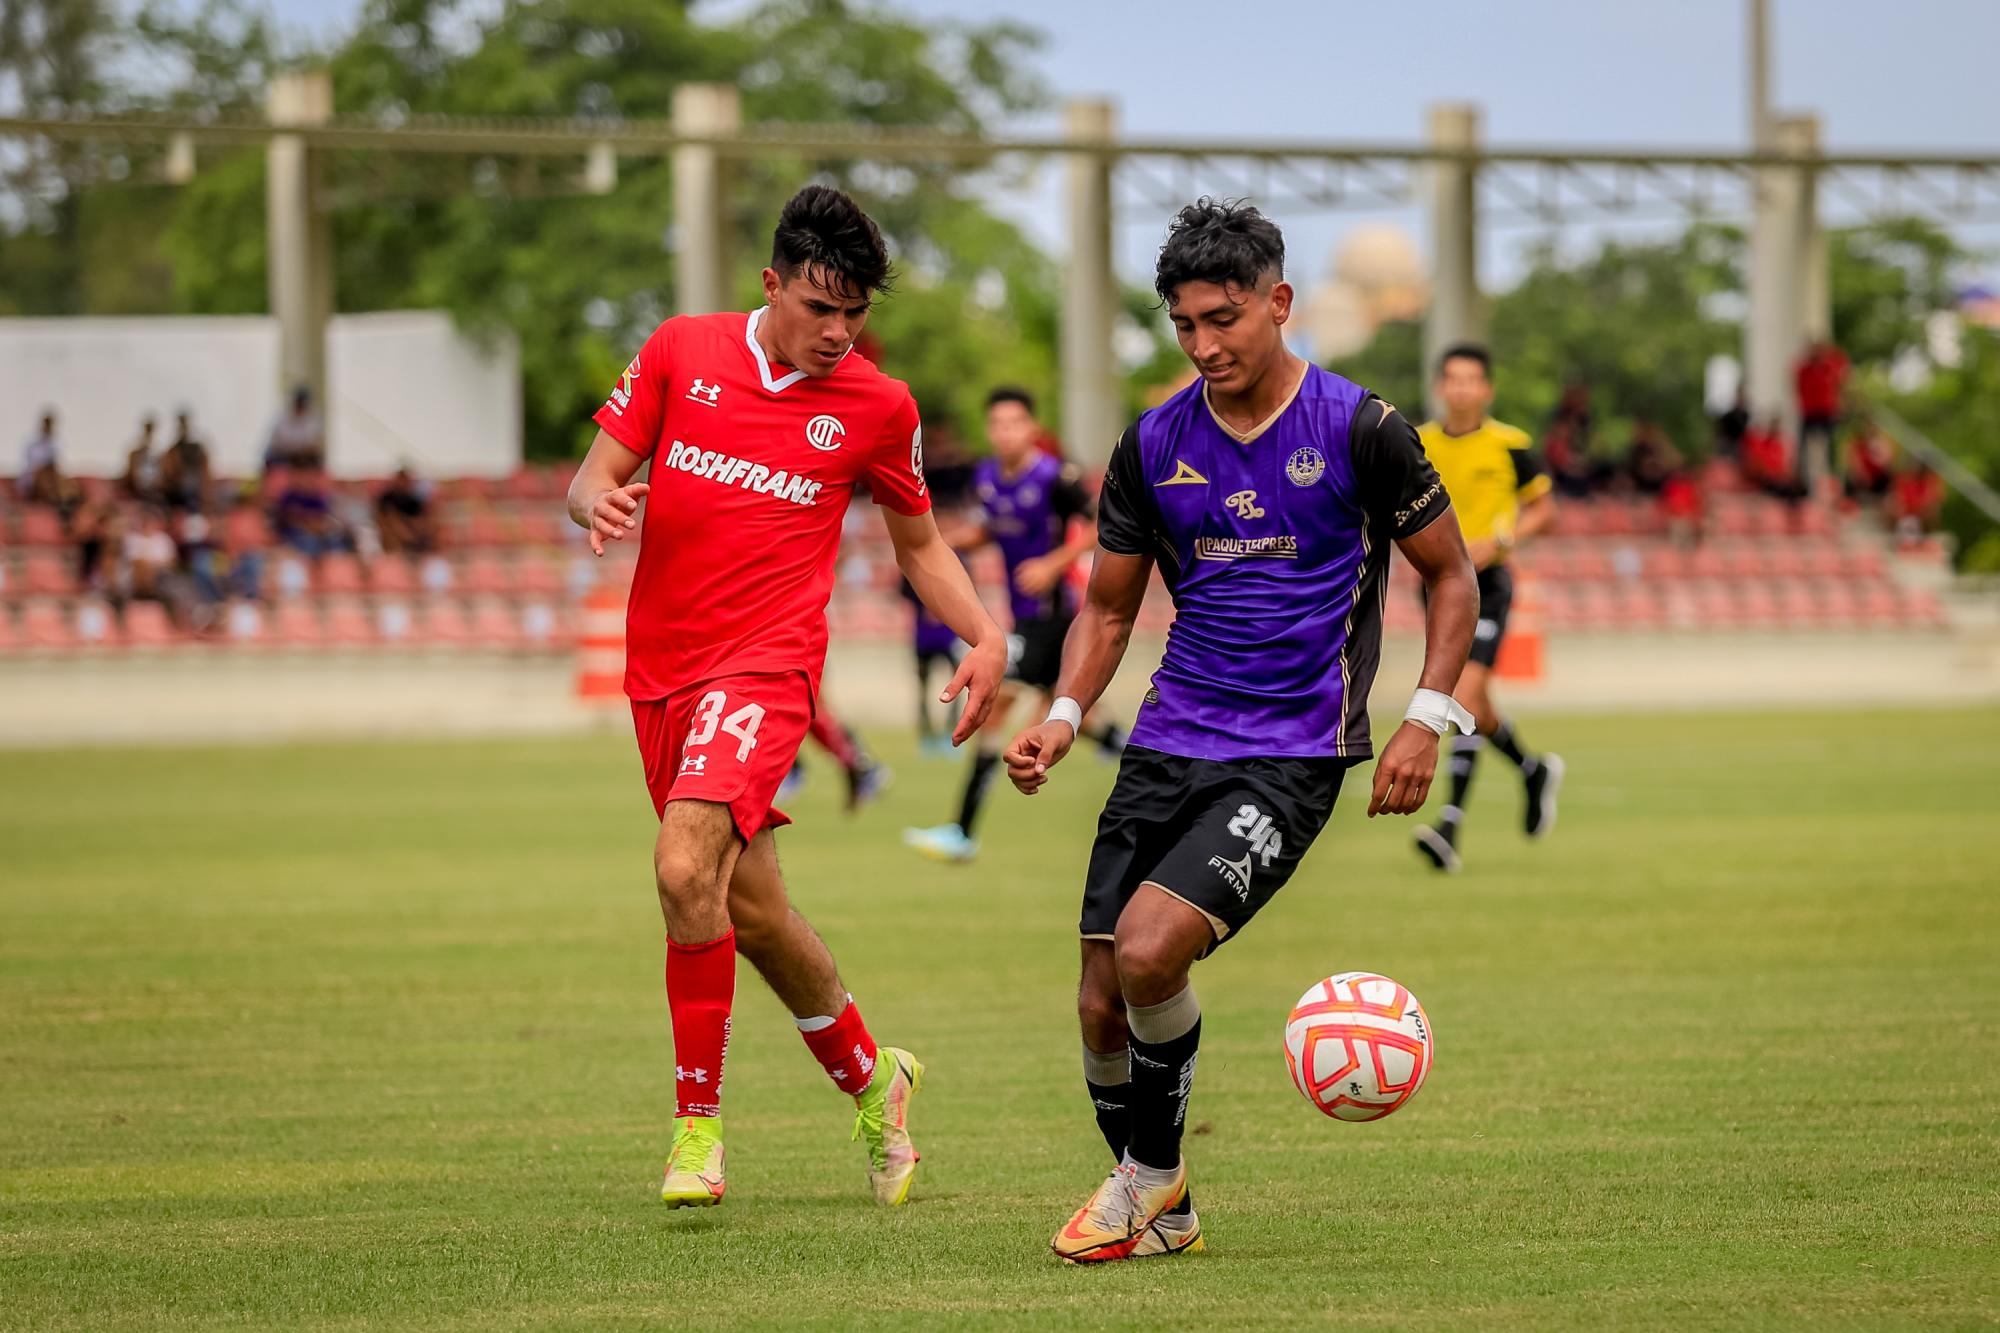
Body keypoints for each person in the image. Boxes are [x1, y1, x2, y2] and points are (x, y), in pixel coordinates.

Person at [1001, 200, 1478, 1263]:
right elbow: (1108, 608)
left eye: (1223, 319)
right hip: (1168, 738)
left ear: (1279, 302)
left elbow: (1452, 576)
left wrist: (1424, 719)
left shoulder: (1361, 428)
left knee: (1148, 949)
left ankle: (1144, 1181)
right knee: (1099, 1002)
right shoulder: (1152, 442)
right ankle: (1166, 1211)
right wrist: (1064, 715)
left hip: (1291, 753)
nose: (1204, 345)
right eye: (1184, 325)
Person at [563, 184, 1007, 1212]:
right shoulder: (680, 350)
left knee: (683, 867)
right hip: (660, 671)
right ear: (771, 284)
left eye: (855, 312)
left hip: (767, 667)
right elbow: (589, 479)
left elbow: (919, 545)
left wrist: (984, 635)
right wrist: (601, 502)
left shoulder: (878, 405)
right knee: (750, 910)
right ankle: (876, 1083)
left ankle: (697, 1133)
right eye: (819, 307)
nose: (838, 332)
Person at [903, 386, 1125, 864]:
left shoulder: (1055, 477)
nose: (1005, 432)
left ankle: (961, 831)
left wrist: (1053, 563)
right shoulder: (987, 477)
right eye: (997, 424)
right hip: (1024, 616)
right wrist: (946, 544)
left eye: (1014, 423)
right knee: (1072, 717)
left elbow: (1101, 525)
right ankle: (1135, 753)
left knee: (996, 705)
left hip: (1055, 617)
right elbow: (993, 529)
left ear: (1031, 428)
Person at [1410, 345, 1565, 874]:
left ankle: (1449, 825)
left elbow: (1545, 511)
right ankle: (1532, 769)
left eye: (1471, 380)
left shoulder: (1511, 444)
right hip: (1435, 585)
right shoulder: (1418, 443)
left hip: (1488, 585)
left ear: (1487, 389)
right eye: (1452, 379)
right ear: (1439, 387)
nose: (1461, 389)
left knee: (1463, 694)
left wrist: (1500, 540)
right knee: (1473, 703)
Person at [1795, 339, 1849, 491]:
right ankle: (1804, 482)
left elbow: (1842, 363)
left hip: (1827, 412)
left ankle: (1834, 479)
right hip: (1809, 413)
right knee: (1804, 448)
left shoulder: (1829, 367)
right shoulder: (1804, 369)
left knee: (1831, 446)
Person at [375, 466, 439, 555]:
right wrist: (405, 532)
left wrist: (417, 528)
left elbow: (421, 517)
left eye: (406, 480)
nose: (404, 483)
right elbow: (387, 518)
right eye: (402, 480)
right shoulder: (387, 498)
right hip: (394, 532)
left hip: (411, 531)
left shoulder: (413, 498)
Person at [159, 410, 212, 513]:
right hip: (179, 493)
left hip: (195, 492)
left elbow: (205, 472)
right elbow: (169, 472)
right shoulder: (173, 450)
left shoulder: (197, 449)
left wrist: (205, 492)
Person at [264, 387, 325, 472]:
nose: (299, 407)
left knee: (316, 460)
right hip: (283, 457)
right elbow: (276, 445)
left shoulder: (312, 419)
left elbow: (315, 445)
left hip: (303, 458)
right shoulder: (282, 418)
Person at [18, 410, 63, 506]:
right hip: (33, 475)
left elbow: (55, 463)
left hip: (48, 474)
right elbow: (30, 463)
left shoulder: (55, 443)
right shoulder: (32, 441)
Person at [123, 415, 164, 505]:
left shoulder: (156, 454)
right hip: (139, 491)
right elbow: (134, 476)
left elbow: (159, 477)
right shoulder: (136, 454)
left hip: (152, 490)